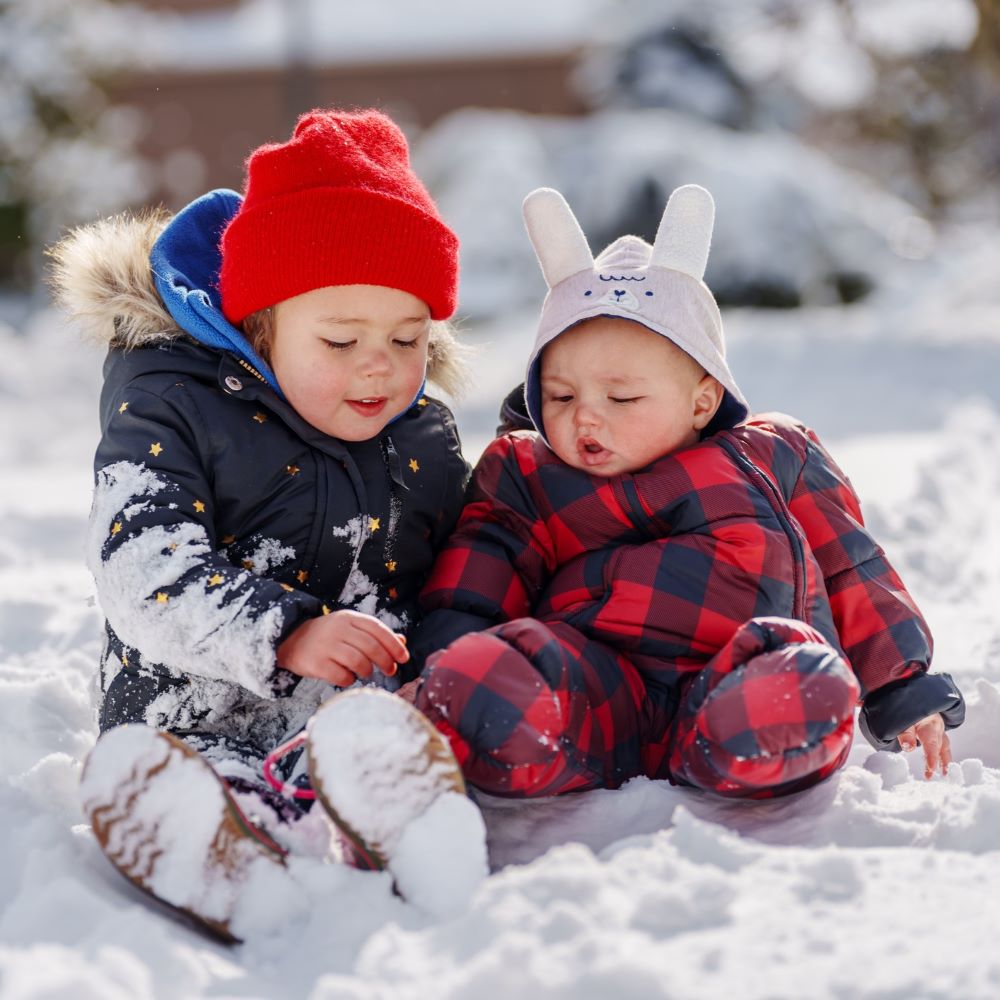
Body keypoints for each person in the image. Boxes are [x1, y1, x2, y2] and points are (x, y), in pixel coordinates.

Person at [52, 109, 485, 941]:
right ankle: (220, 841)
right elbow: (140, 566)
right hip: (193, 712)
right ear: (260, 327)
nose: (381, 365)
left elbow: (457, 567)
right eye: (341, 337)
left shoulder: (423, 433)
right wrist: (282, 630)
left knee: (382, 740)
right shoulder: (172, 406)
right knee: (199, 768)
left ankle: (391, 814)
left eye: (407, 337)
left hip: (348, 713)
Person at [402, 183, 965, 801]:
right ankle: (425, 744)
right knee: (497, 671)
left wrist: (902, 689)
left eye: (621, 398)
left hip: (738, 675)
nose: (586, 418)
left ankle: (751, 742)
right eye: (560, 397)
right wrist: (439, 674)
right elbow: (476, 582)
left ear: (702, 399)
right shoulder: (528, 472)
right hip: (596, 688)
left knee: (800, 680)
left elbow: (852, 566)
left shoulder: (775, 454)